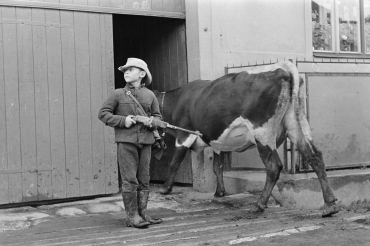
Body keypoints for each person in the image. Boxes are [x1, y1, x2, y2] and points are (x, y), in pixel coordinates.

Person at [98, 58, 162, 228]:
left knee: (144, 179)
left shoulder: (150, 95)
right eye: (125, 70)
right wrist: (123, 121)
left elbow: (158, 117)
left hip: (146, 142)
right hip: (126, 143)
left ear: (142, 74)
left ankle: (143, 213)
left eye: (131, 69)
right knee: (129, 180)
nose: (126, 72)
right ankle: (132, 216)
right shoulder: (117, 94)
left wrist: (152, 121)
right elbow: (103, 114)